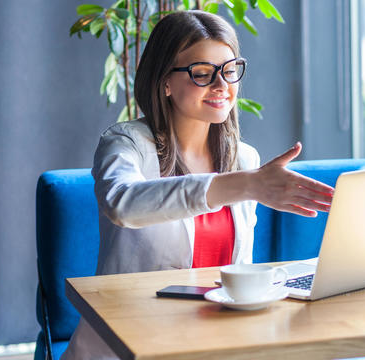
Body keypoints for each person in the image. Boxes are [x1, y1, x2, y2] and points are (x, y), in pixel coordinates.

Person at [60, 10, 333, 359]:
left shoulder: (243, 159)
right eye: (202, 73)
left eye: (230, 70)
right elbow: (122, 203)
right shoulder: (125, 143)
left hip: (213, 342)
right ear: (165, 82)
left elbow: (238, 271)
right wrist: (242, 185)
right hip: (132, 341)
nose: (222, 86)